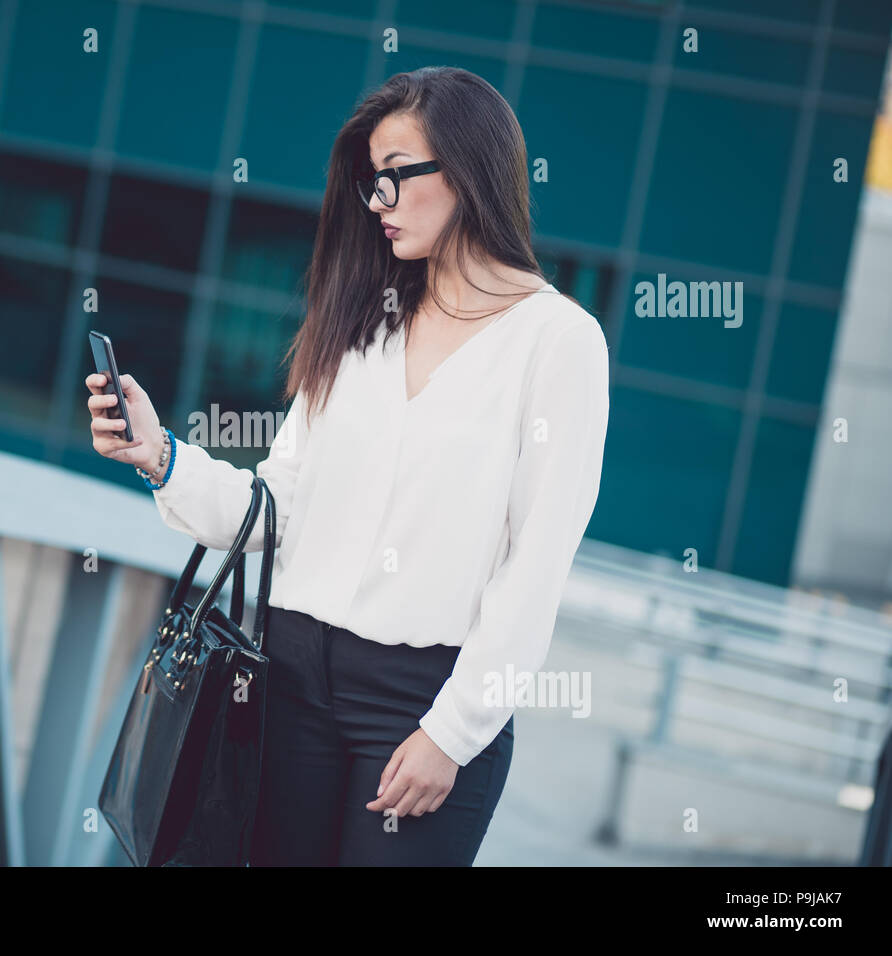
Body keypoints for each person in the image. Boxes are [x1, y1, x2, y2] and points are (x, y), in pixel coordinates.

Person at [86, 66, 610, 866]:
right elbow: (277, 506)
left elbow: (534, 565)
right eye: (371, 184)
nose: (378, 204)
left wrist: (454, 731)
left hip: (423, 703)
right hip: (288, 679)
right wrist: (159, 455)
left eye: (396, 177)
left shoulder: (558, 341)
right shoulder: (366, 317)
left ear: (468, 172)